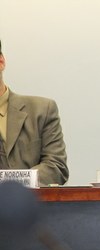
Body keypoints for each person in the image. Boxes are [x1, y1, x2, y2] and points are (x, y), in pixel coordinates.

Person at [0, 40, 69, 185]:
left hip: (33, 205)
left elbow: (56, 167)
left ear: (1, 61)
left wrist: (11, 184)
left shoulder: (42, 110)